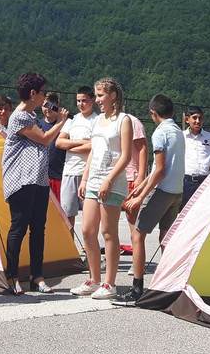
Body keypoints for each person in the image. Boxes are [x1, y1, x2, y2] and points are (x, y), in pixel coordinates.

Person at [1, 72, 69, 295]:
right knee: (18, 228)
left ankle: (36, 276)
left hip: (38, 180)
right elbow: (45, 139)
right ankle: (12, 275)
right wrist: (60, 122)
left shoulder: (31, 116)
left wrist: (55, 121)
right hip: (21, 180)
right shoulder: (20, 116)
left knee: (38, 228)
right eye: (41, 94)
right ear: (32, 94)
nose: (44, 99)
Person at [115, 94, 185, 306]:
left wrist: (140, 198)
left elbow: (160, 170)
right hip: (177, 191)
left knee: (138, 235)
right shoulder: (179, 132)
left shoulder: (160, 133)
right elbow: (159, 170)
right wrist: (139, 189)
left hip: (162, 191)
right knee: (166, 237)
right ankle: (170, 283)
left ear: (153, 113)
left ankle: (137, 288)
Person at [71, 77, 131, 300]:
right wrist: (85, 179)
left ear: (113, 95)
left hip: (112, 183)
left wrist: (108, 180)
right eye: (96, 96)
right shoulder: (98, 122)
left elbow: (125, 155)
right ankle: (93, 278)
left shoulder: (123, 120)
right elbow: (94, 152)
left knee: (108, 232)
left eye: (101, 95)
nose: (97, 100)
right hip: (93, 180)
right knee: (87, 230)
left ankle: (110, 283)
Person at [56, 86, 97, 226]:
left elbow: (95, 146)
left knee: (89, 218)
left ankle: (88, 247)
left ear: (92, 100)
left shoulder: (97, 121)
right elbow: (59, 142)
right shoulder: (71, 120)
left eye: (84, 100)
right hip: (69, 172)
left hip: (88, 174)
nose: (80, 104)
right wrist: (82, 143)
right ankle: (71, 247)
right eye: (78, 101)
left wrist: (71, 146)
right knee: (67, 216)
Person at [181, 105, 210, 209]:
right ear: (187, 119)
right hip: (185, 182)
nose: (197, 121)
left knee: (203, 213)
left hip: (205, 182)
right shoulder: (180, 137)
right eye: (194, 118)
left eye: (200, 118)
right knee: (184, 215)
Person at [38, 93, 67, 199]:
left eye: (51, 105)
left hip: (59, 176)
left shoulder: (66, 124)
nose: (48, 109)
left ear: (57, 105)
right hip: (41, 176)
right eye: (45, 105)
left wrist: (62, 119)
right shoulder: (37, 124)